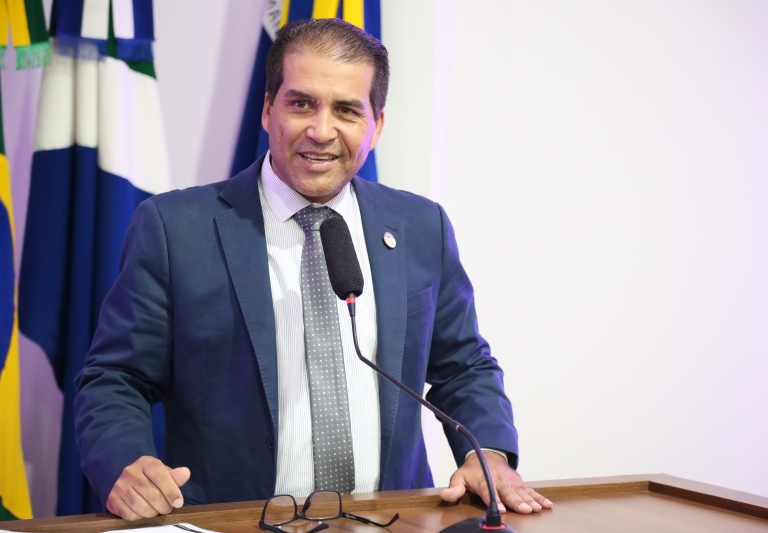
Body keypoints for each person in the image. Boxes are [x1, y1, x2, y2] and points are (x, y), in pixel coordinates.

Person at [74, 18, 553, 521]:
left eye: (346, 110)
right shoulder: (177, 229)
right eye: (301, 104)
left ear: (376, 125)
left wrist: (489, 455)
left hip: (392, 521)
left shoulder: (420, 226)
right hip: (233, 523)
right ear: (268, 109)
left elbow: (464, 365)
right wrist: (124, 462)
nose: (321, 131)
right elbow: (116, 377)